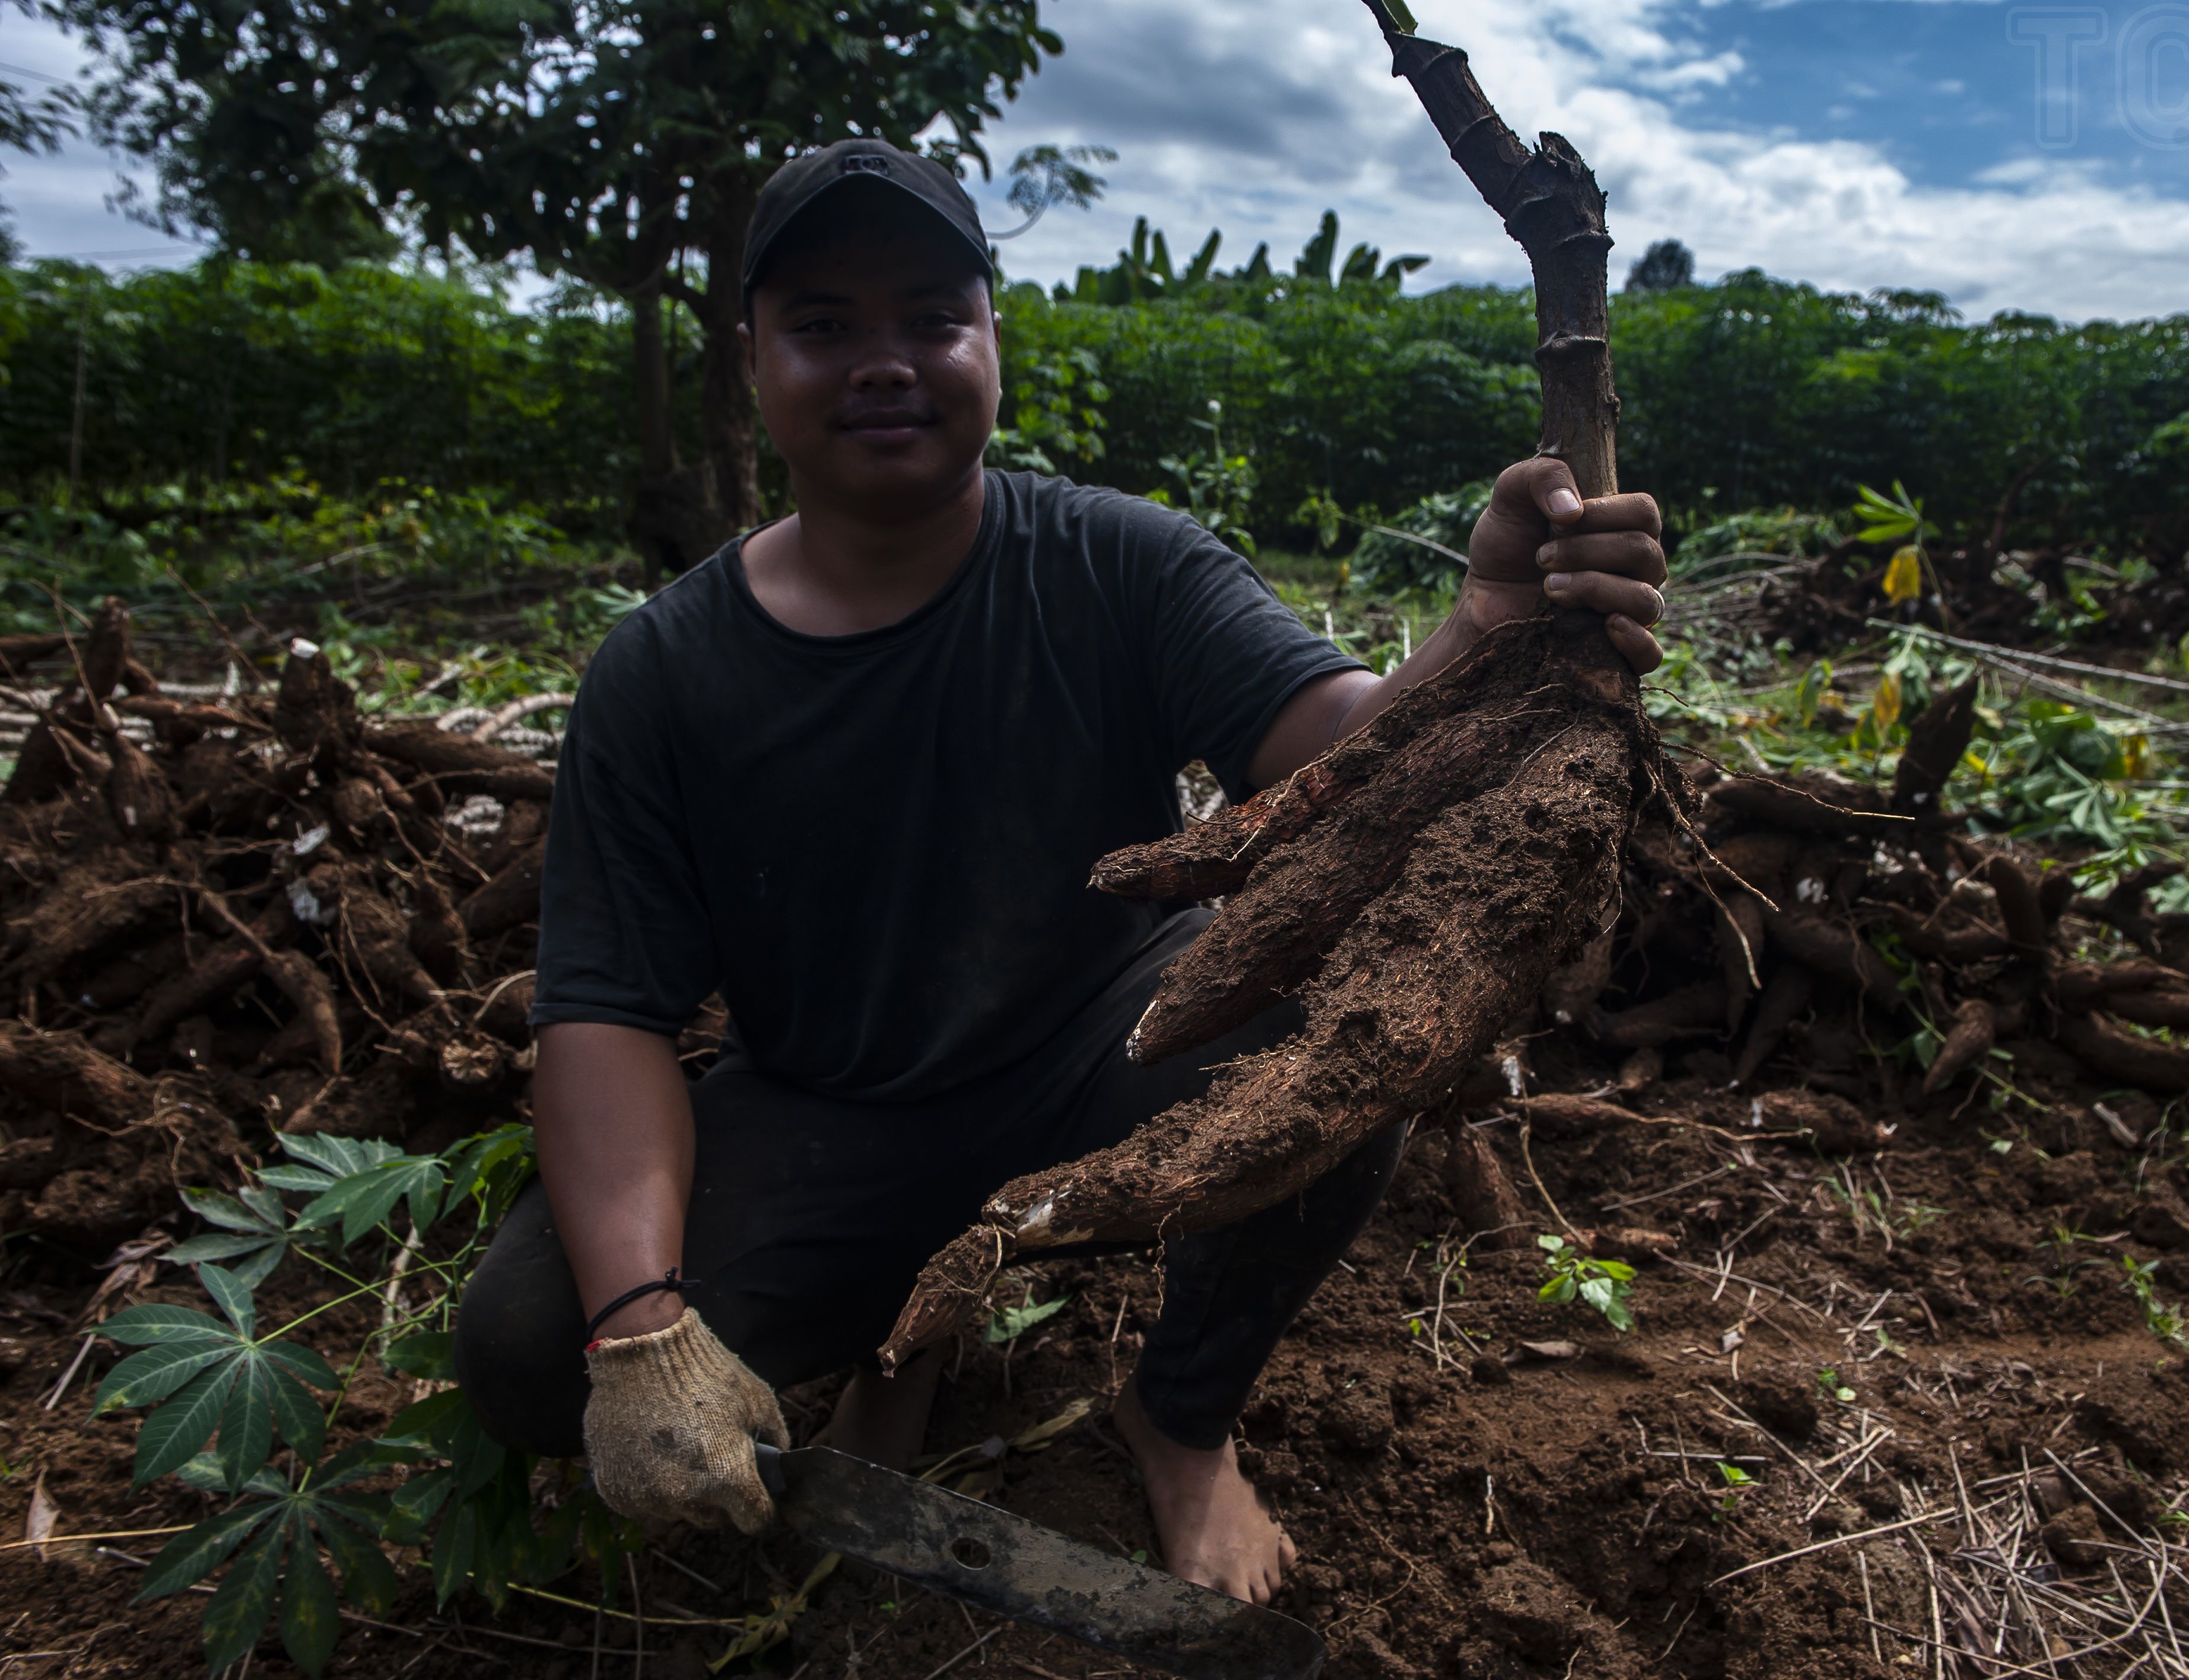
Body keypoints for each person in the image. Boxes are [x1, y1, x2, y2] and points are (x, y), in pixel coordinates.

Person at [453, 136, 1667, 1606]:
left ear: (992, 341)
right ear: (754, 361)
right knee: (533, 1341)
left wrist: (1485, 626)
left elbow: (1336, 754)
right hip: (830, 1109)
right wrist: (643, 1327)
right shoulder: (661, 673)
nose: (883, 362)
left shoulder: (1118, 562)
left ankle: (1180, 1418)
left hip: (1106, 1044)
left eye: (928, 317)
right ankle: (912, 1329)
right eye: (825, 326)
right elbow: (604, 1013)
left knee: (1342, 1041)